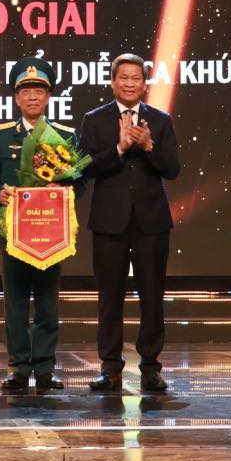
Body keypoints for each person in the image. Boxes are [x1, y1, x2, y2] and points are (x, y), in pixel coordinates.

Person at [0, 57, 84, 393]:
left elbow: (79, 182)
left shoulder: (63, 135)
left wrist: (60, 189)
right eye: (26, 91)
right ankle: (19, 368)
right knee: (16, 304)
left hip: (50, 233)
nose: (33, 96)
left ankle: (45, 369)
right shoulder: (2, 136)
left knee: (48, 305)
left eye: (39, 90)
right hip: (13, 234)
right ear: (16, 97)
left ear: (48, 96)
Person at [79, 53, 181, 393]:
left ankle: (151, 367)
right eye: (123, 77)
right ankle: (110, 368)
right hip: (109, 222)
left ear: (144, 83)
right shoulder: (94, 120)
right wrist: (120, 148)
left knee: (152, 295)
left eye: (136, 78)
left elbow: (173, 169)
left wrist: (149, 146)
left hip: (152, 222)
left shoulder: (161, 120)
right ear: (112, 82)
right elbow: (84, 168)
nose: (129, 83)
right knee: (109, 297)